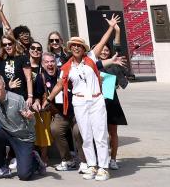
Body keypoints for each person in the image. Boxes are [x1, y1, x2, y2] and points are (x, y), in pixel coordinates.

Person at [46, 15, 119, 182]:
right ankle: (92, 165)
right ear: (70, 48)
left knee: (100, 135)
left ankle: (103, 167)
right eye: (74, 46)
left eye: (79, 46)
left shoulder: (91, 58)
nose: (76, 48)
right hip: (79, 102)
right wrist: (48, 99)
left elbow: (101, 42)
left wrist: (110, 28)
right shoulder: (66, 67)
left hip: (95, 100)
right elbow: (59, 85)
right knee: (86, 136)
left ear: (83, 48)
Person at [0, 74, 42, 181]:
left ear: (4, 85)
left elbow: (32, 123)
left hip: (23, 137)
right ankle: (3, 168)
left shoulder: (17, 99)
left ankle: (34, 159)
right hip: (7, 133)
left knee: (24, 175)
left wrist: (31, 117)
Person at [30, 52, 75, 170]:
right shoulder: (41, 77)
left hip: (74, 109)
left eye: (52, 61)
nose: (50, 64)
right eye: (47, 62)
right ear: (43, 64)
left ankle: (86, 162)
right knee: (55, 129)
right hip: (59, 112)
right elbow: (38, 94)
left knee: (78, 132)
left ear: (56, 62)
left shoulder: (64, 72)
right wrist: (36, 102)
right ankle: (68, 159)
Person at [97, 39, 130, 171]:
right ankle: (101, 159)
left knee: (113, 133)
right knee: (99, 134)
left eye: (106, 50)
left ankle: (113, 159)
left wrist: (116, 31)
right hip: (97, 103)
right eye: (102, 50)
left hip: (111, 102)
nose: (104, 52)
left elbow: (118, 48)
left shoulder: (114, 65)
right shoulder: (94, 65)